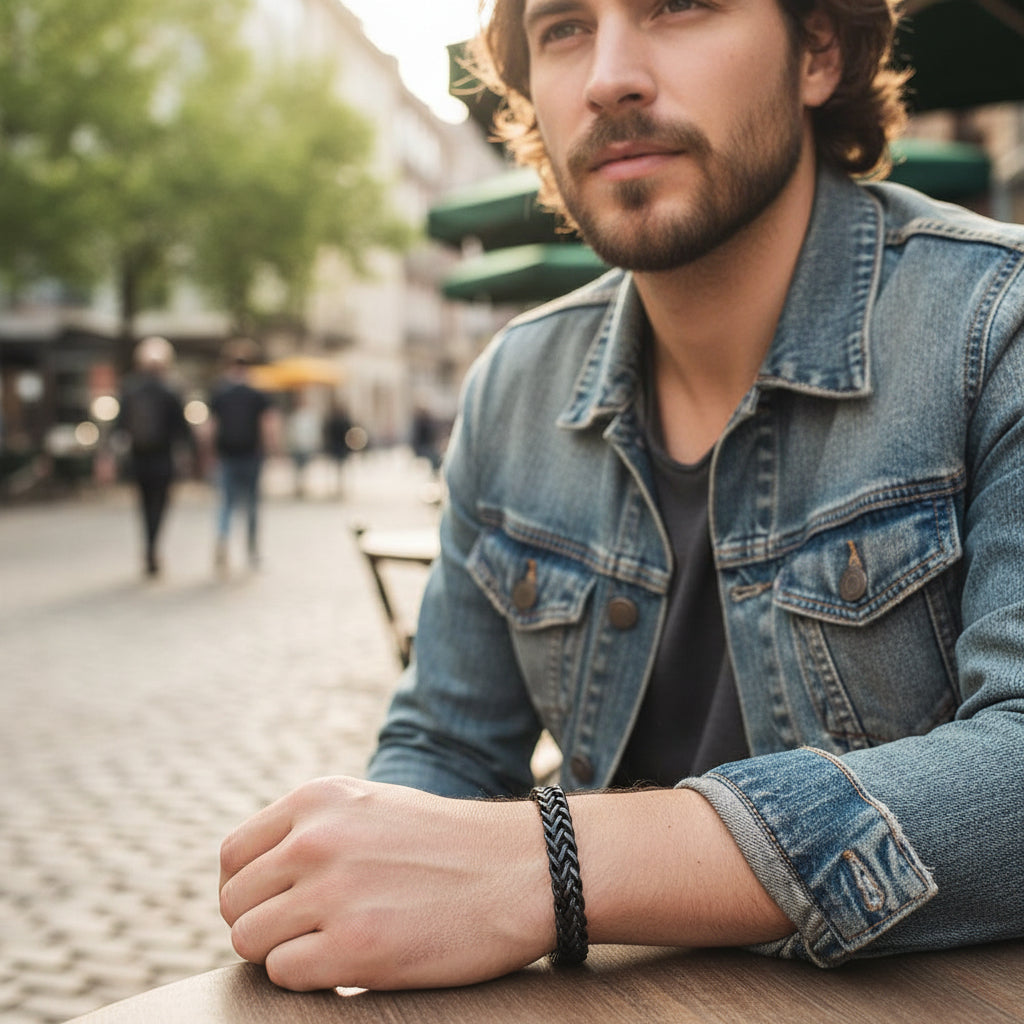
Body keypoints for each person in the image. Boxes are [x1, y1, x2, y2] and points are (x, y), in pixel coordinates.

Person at [219, 0, 1024, 994]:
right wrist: (359, 875)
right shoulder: (515, 383)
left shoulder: (994, 331)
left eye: (677, 6)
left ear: (817, 48)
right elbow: (448, 743)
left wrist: (548, 863)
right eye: (563, 27)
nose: (608, 75)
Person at [115, 336, 192, 576]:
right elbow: (182, 428)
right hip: (163, 457)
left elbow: (119, 425)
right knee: (160, 504)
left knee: (144, 504)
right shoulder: (171, 389)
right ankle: (153, 546)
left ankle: (148, 546)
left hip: (139, 457)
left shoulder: (130, 388)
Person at [209, 339, 275, 570]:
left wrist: (210, 453)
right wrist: (269, 449)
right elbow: (267, 425)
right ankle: (252, 550)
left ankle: (223, 537)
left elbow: (210, 426)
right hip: (251, 455)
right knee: (252, 504)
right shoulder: (257, 392)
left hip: (226, 454)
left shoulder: (220, 392)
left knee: (226, 503)